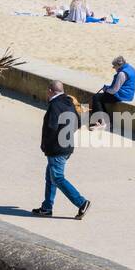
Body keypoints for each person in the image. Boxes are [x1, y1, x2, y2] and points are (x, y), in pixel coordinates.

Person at [33, 81, 90, 219]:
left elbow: (51, 129)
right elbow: (78, 122)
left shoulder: (54, 105)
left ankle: (82, 203)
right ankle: (47, 207)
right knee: (50, 177)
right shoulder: (69, 101)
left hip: (57, 149)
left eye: (48, 91)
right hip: (67, 146)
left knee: (57, 178)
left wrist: (45, 146)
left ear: (50, 91)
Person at [89, 56, 135, 128]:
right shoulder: (130, 68)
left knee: (96, 97)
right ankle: (105, 120)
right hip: (128, 94)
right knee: (101, 98)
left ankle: (102, 122)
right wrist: (108, 87)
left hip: (122, 95)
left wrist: (106, 89)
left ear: (119, 65)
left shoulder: (122, 74)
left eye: (114, 66)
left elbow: (114, 90)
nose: (114, 68)